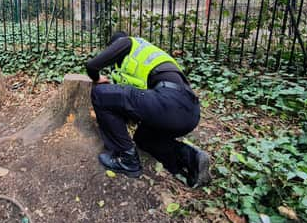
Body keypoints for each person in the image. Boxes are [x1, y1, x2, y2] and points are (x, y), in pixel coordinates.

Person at [86, 31, 212, 188]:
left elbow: (91, 66)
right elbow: (134, 106)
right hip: (189, 113)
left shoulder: (127, 43)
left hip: (169, 102)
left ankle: (126, 159)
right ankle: (192, 159)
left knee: (100, 93)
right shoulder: (142, 61)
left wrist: (97, 79)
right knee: (144, 139)